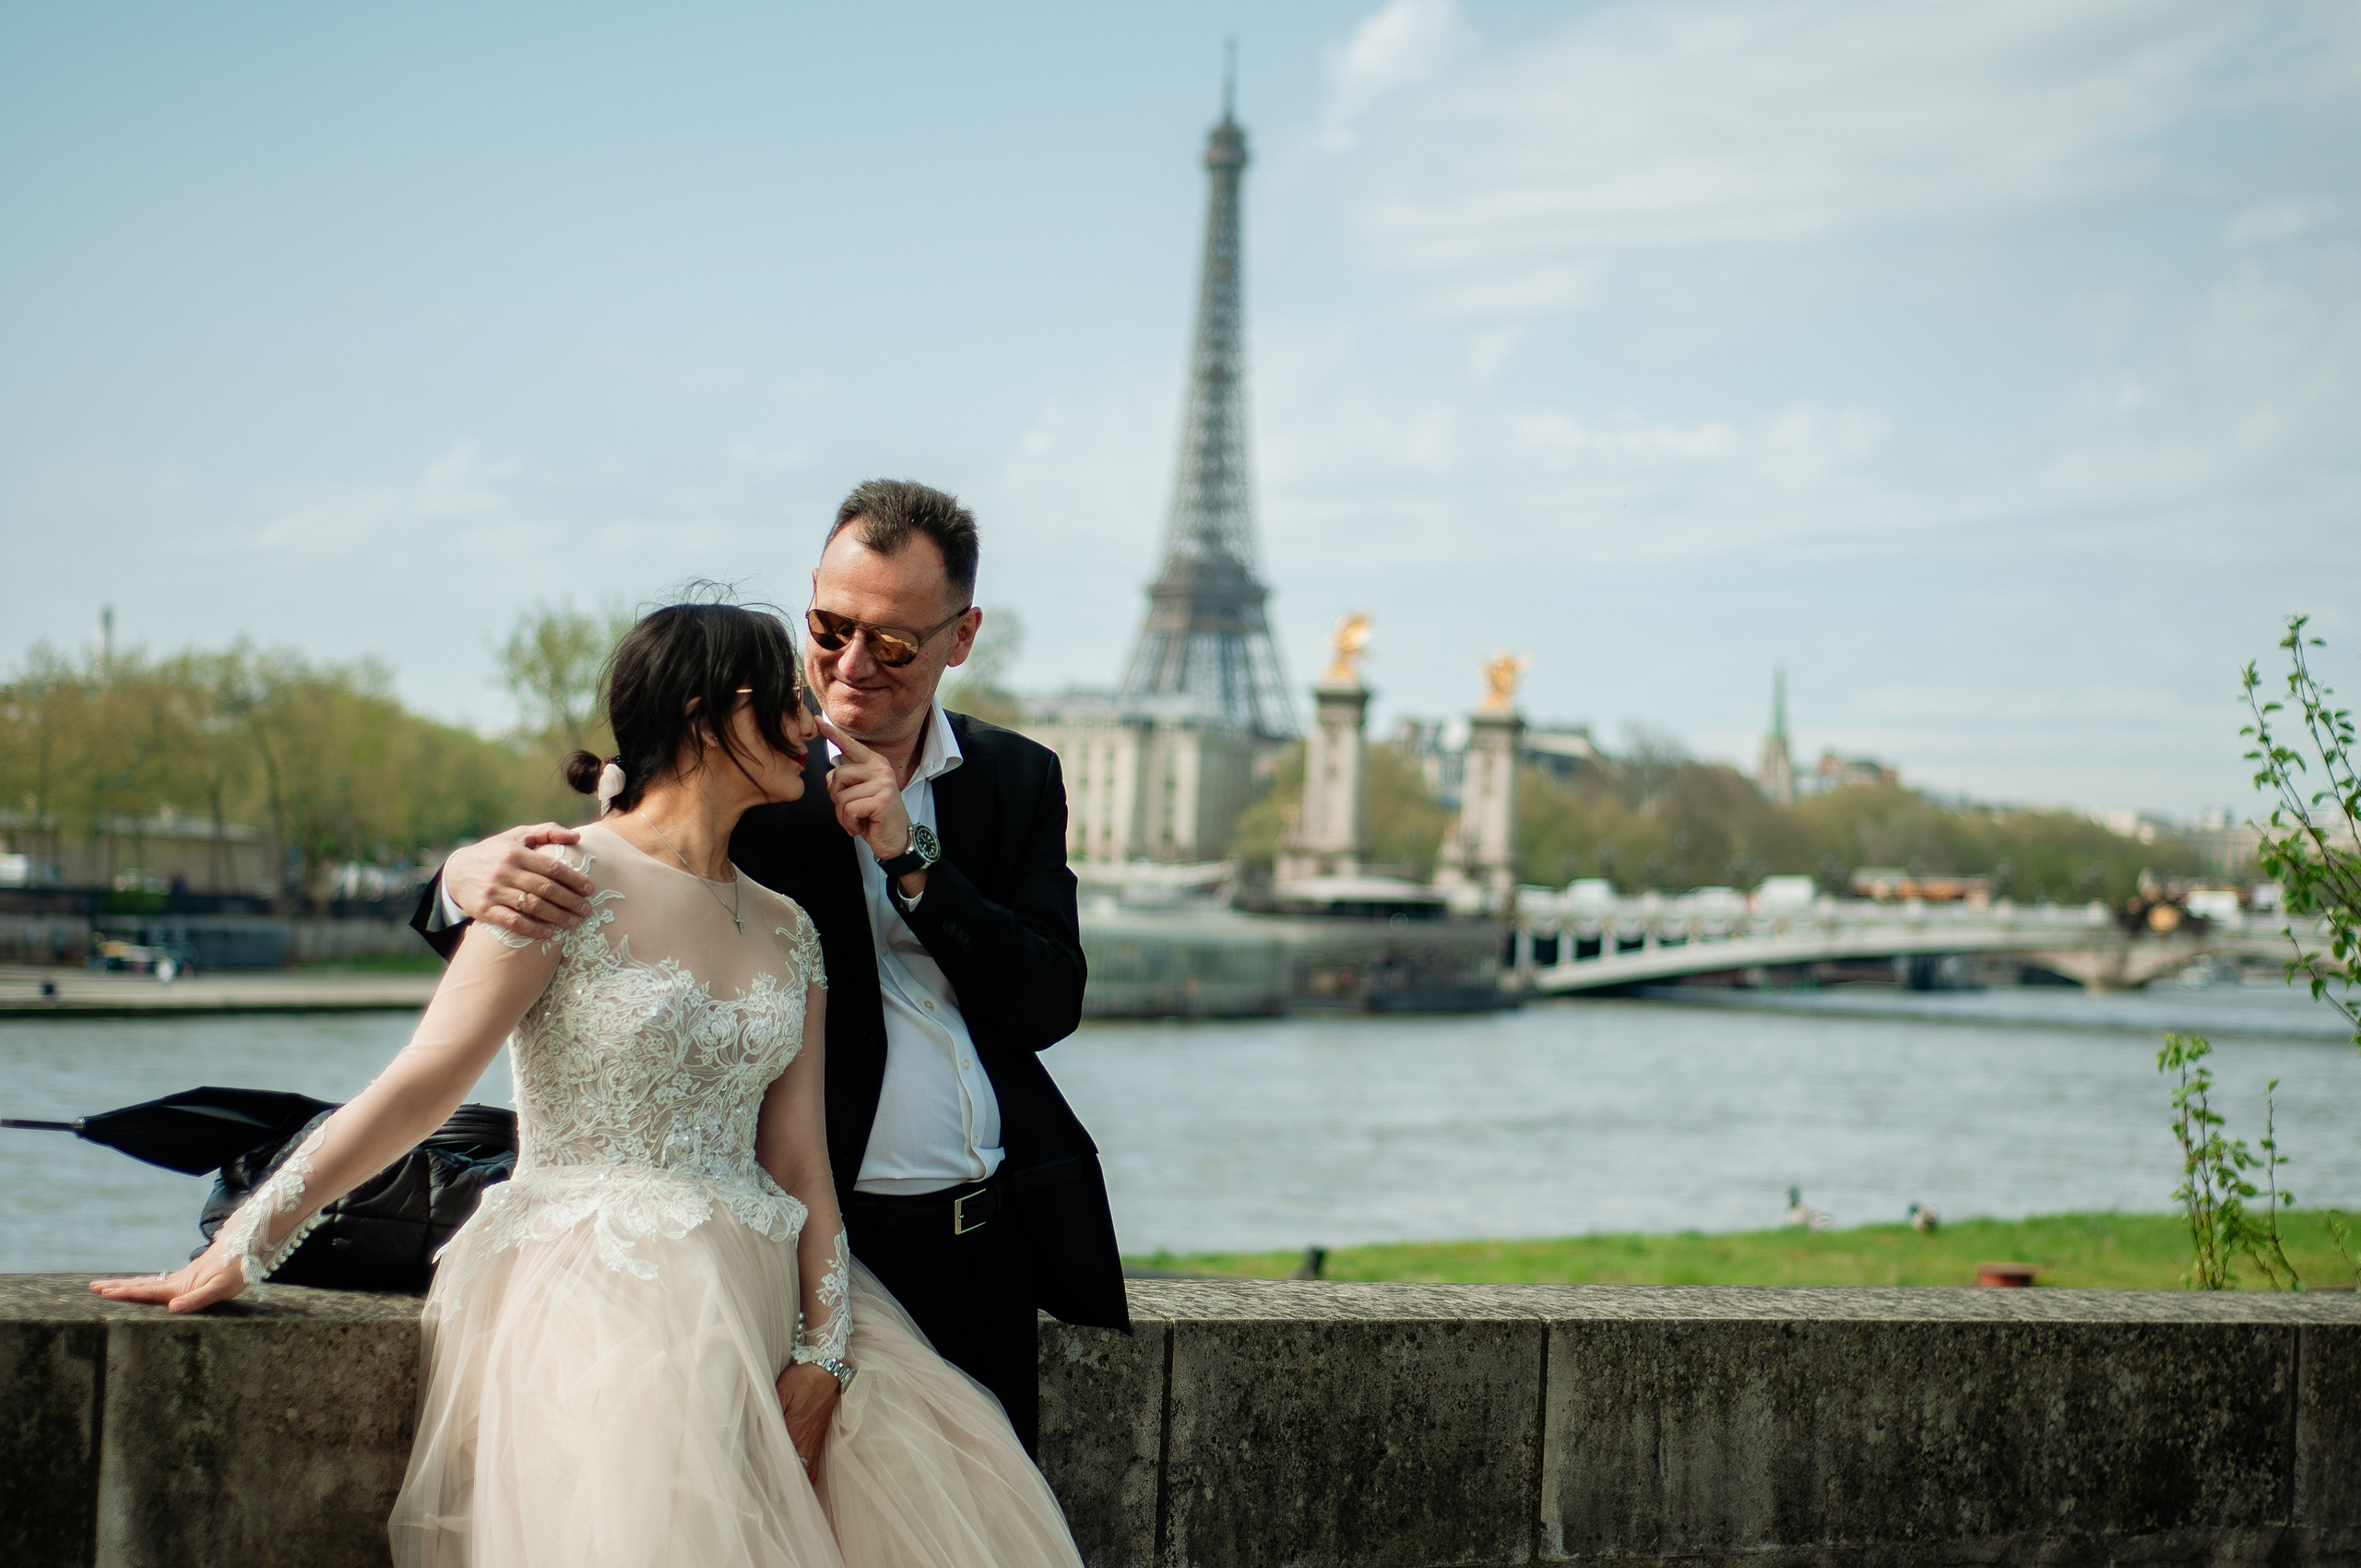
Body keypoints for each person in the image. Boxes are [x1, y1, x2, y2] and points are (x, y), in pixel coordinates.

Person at [95, 601, 1087, 1568]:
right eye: (788, 700)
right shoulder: (559, 879)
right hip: (603, 1294)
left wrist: (825, 1351)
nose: (813, 723)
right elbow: (421, 1084)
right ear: (708, 715)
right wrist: (246, 1242)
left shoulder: (792, 927)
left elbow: (799, 1163)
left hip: (766, 1287)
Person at [415, 480, 1123, 1454]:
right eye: (831, 628)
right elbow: (579, 913)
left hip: (984, 1242)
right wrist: (456, 879)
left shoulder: (1017, 777)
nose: (851, 665)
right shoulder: (745, 771)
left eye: (893, 643)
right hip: (810, 1247)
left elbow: (1048, 1001)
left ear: (961, 637)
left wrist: (916, 861)